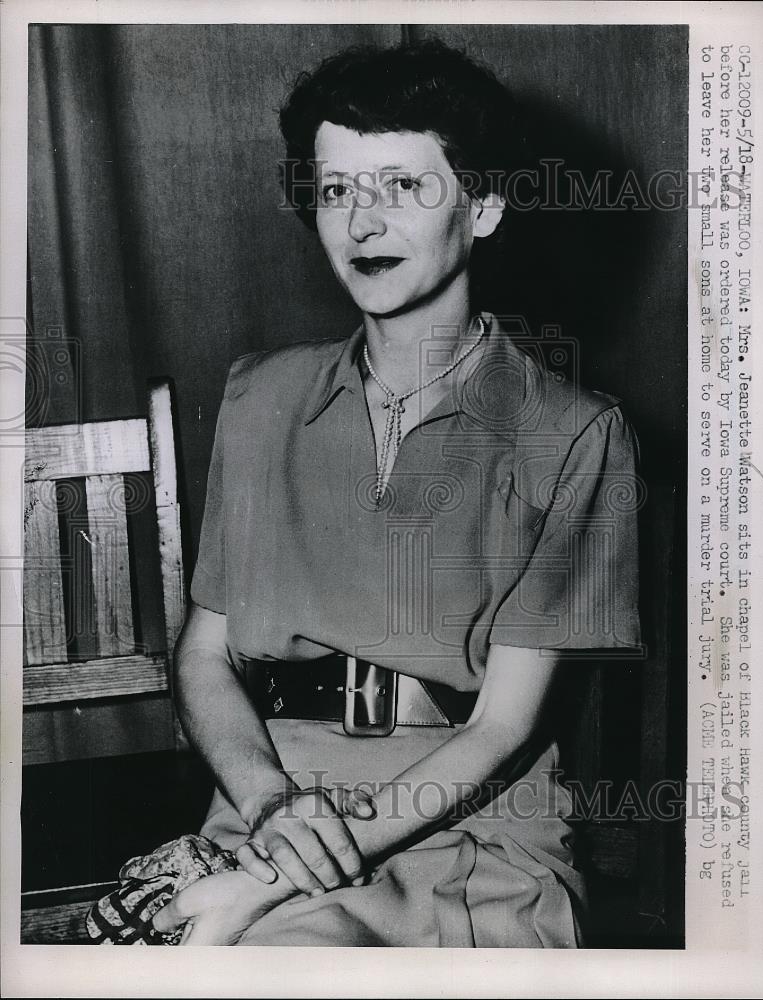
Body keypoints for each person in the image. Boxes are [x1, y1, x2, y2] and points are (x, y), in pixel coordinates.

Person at [152, 40, 641, 947]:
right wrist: (269, 812)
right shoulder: (260, 398)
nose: (362, 223)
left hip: (473, 824)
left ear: (484, 208)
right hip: (279, 795)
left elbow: (499, 729)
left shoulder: (573, 432)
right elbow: (204, 655)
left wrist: (267, 884)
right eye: (337, 190)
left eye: (404, 186)